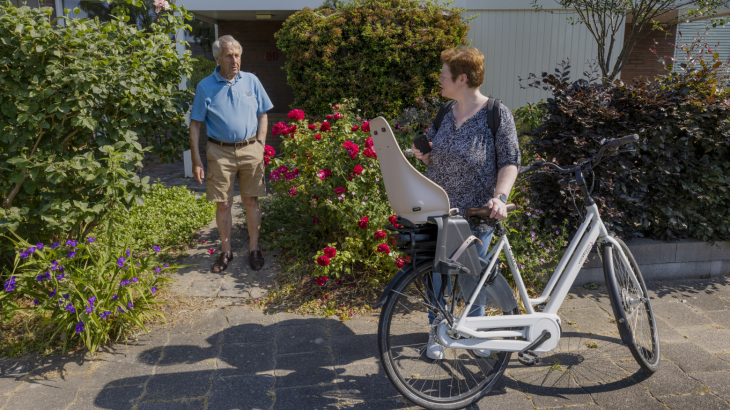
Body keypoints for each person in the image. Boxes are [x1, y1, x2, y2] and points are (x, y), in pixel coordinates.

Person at [411, 47, 520, 360]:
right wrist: (425, 153)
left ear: (462, 78)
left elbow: (510, 161)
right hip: (439, 209)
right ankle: (437, 330)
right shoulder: (446, 112)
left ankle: (475, 330)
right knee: (437, 273)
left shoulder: (496, 114)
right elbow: (432, 150)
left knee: (474, 275)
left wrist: (500, 197)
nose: (440, 80)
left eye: (444, 75)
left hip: (476, 213)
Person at [189, 35, 273, 273]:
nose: (235, 60)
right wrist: (196, 159)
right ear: (217, 58)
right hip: (219, 152)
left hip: (250, 149)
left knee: (251, 200)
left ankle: (254, 249)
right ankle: (225, 251)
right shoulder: (205, 86)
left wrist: (261, 143)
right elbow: (195, 125)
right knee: (224, 203)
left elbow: (263, 113)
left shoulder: (252, 81)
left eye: (237, 55)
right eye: (229, 55)